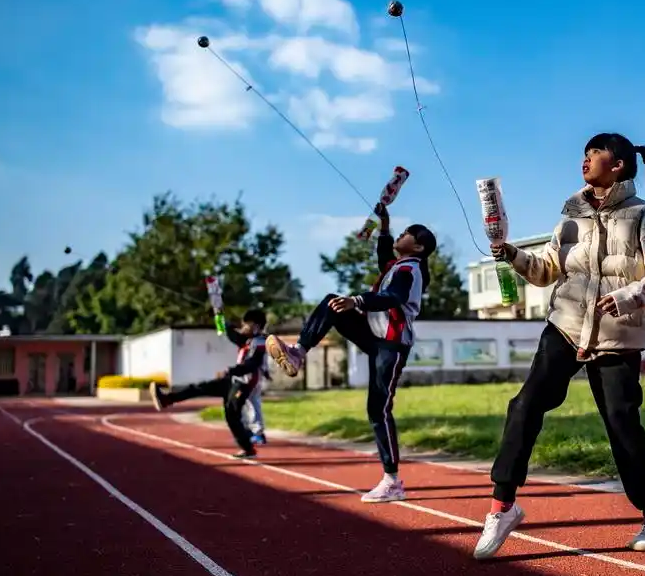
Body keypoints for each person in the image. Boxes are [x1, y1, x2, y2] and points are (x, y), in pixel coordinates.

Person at [473, 132, 645, 560]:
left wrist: (629, 296)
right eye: (584, 153)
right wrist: (511, 254)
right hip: (565, 327)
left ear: (617, 165)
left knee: (622, 425)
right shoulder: (570, 212)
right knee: (524, 406)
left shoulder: (642, 214)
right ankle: (502, 507)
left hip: (617, 335)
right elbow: (546, 270)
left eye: (594, 153)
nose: (585, 160)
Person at [266, 203, 435, 503]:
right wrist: (384, 228)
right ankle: (298, 352)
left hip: (391, 345)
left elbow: (392, 297)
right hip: (374, 336)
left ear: (419, 247)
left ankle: (392, 481)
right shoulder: (397, 266)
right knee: (332, 302)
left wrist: (356, 301)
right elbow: (383, 258)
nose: (402, 234)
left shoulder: (410, 269)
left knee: (378, 410)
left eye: (407, 233)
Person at [149, 308, 269, 459]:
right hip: (233, 380)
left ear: (256, 326)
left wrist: (232, 370)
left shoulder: (261, 342)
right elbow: (232, 335)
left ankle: (249, 447)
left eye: (247, 324)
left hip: (244, 384)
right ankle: (167, 399)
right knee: (200, 388)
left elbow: (252, 364)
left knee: (232, 415)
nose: (243, 327)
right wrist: (220, 317)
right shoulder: (247, 340)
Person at [243, 359, 270, 445]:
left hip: (252, 373)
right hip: (247, 372)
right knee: (246, 402)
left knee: (253, 401)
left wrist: (265, 370)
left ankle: (258, 432)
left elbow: (260, 355)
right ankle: (250, 429)